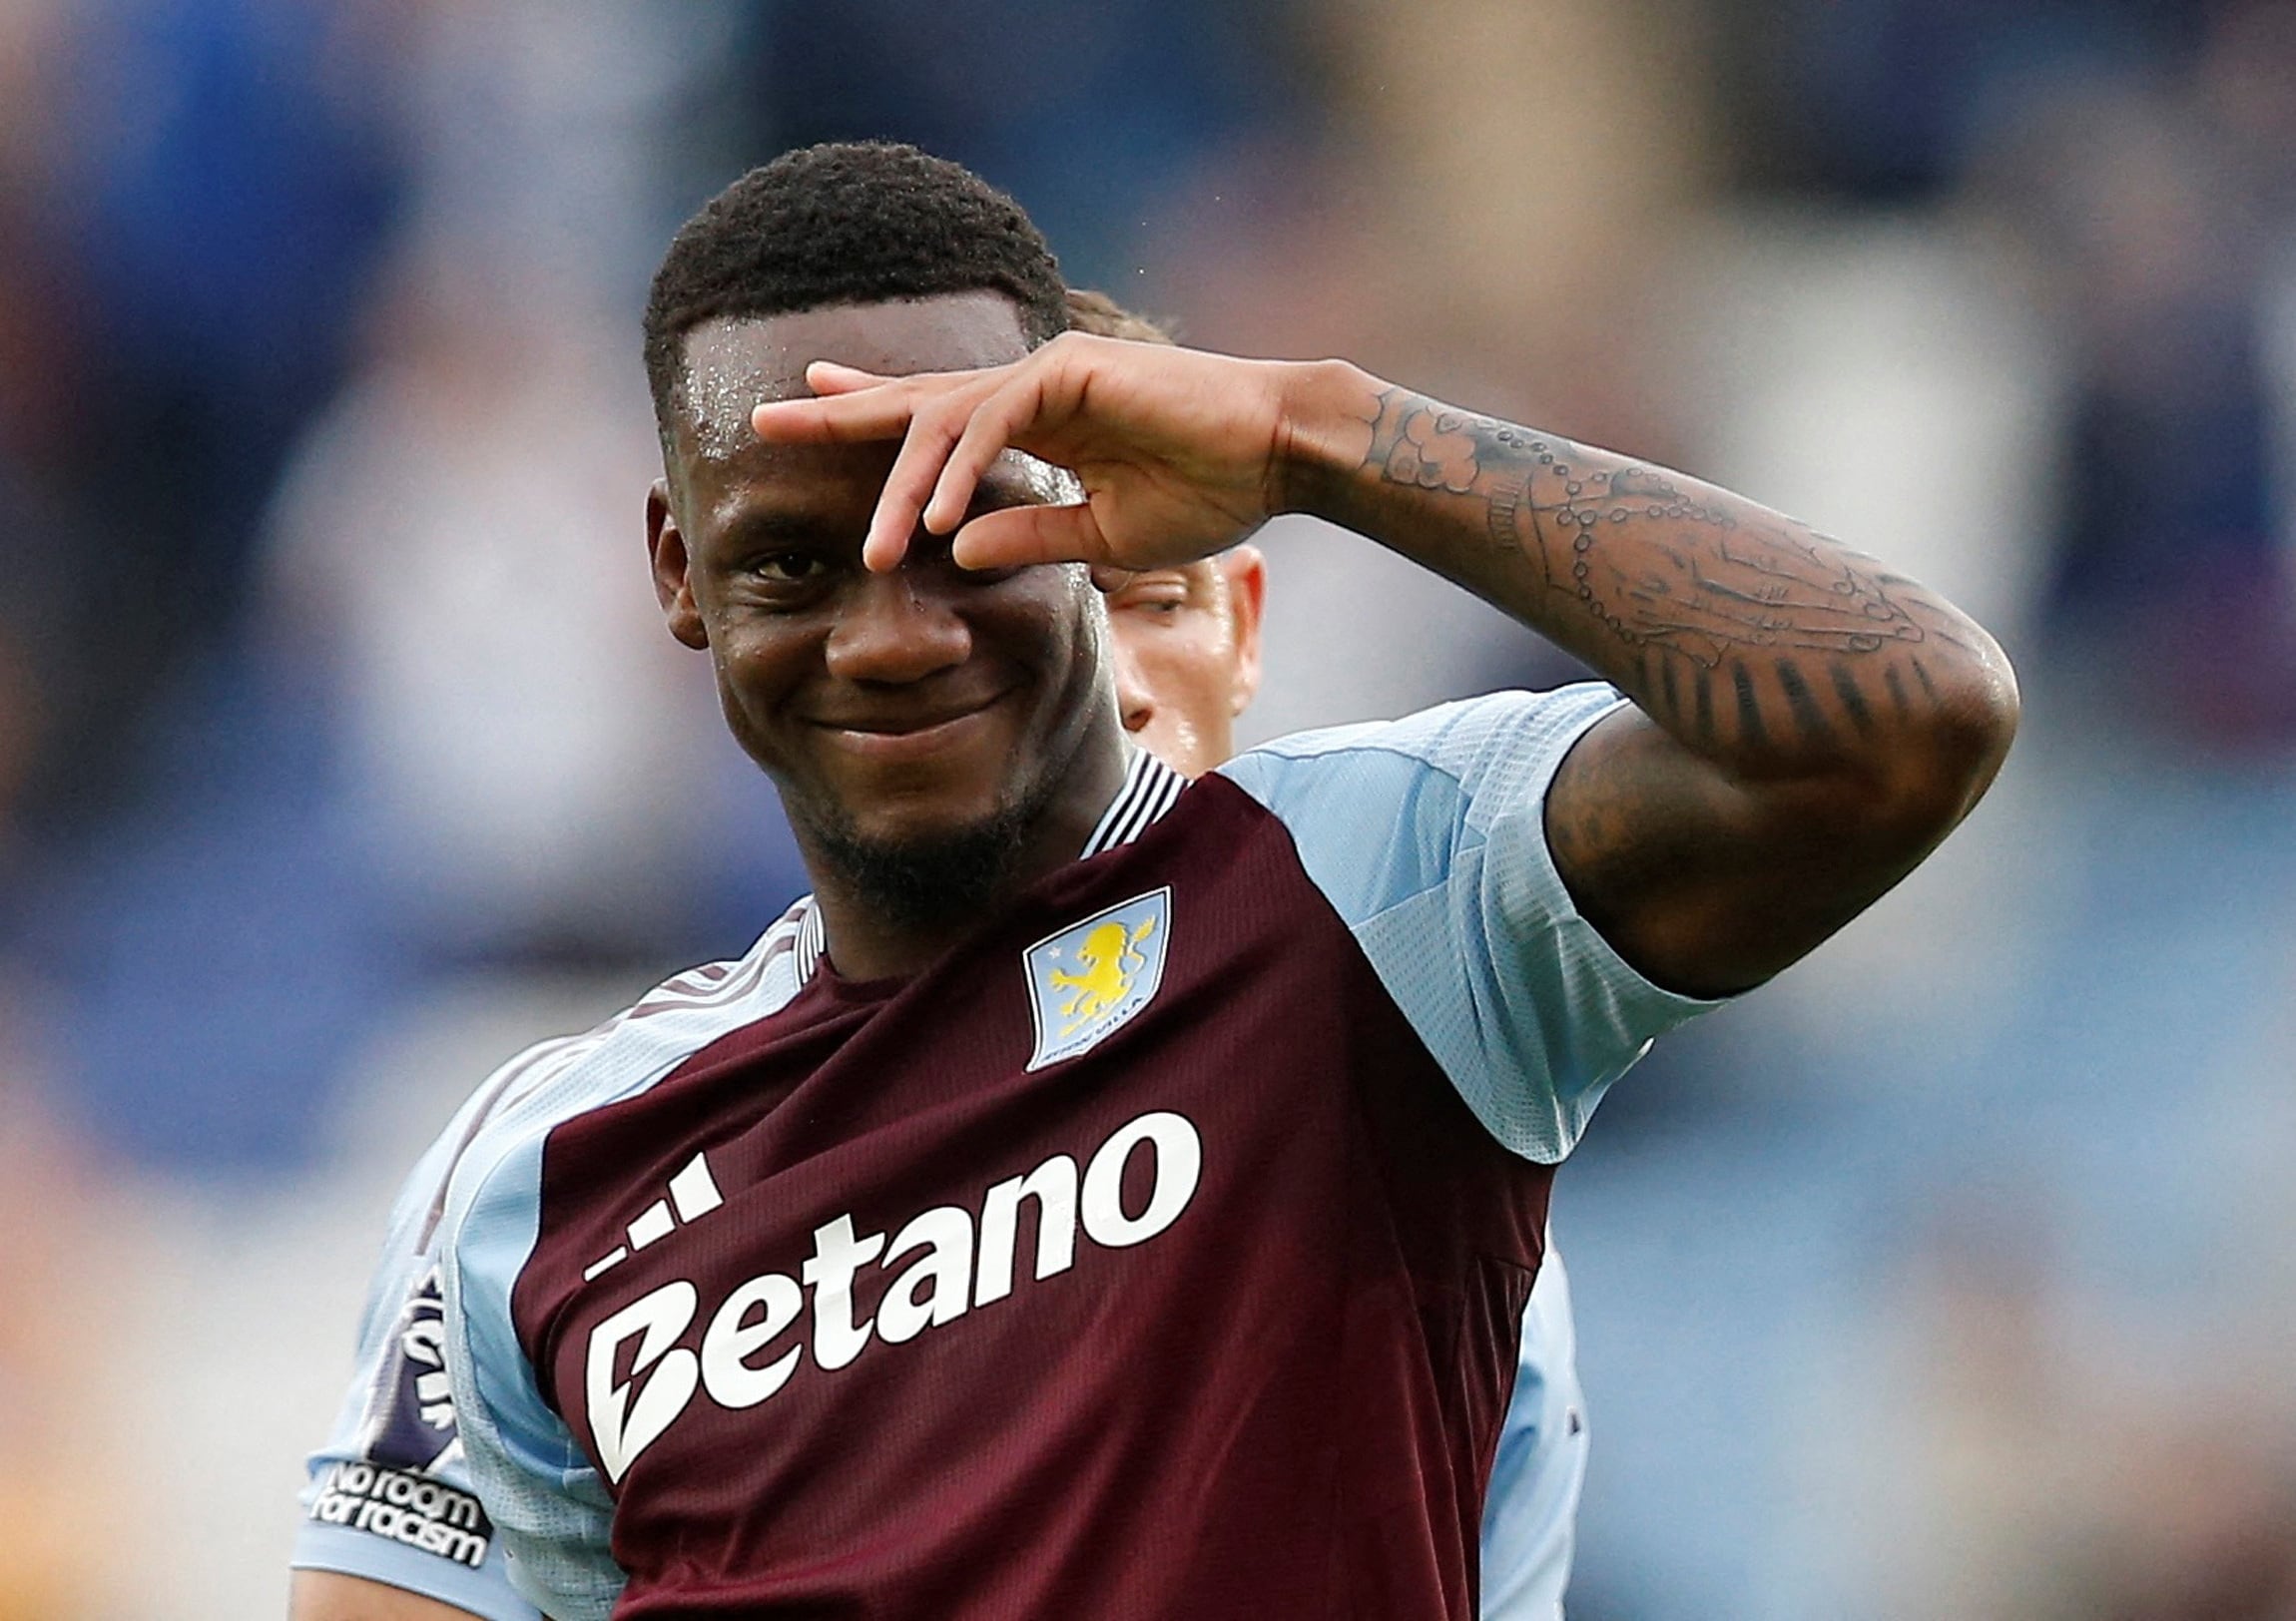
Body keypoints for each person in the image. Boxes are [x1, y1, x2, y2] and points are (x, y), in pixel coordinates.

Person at [306, 141, 2018, 1619]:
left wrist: (1313, 430)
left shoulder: (1376, 899)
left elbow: (1904, 718)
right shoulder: (539, 1172)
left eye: (972, 528)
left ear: (1099, 517)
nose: (890, 634)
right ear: (680, 575)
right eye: (792, 562)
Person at [287, 283, 1584, 1621]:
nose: (1113, 677)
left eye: (1146, 594)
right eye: (1015, 576)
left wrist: (1326, 426)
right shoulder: (561, 1173)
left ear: (1246, 628)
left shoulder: (1421, 1109)